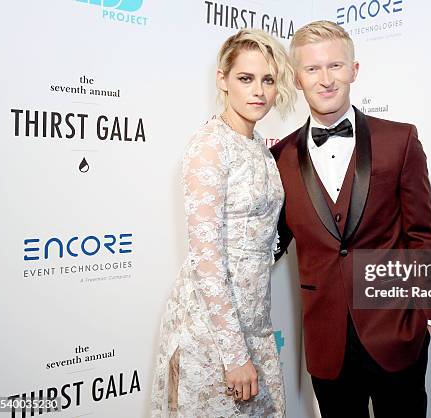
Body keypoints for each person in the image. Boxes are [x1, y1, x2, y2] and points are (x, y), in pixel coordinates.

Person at [271, 21, 431, 417]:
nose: (326, 79)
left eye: (335, 65)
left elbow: (425, 235)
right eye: (312, 69)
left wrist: (424, 320)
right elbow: (267, 243)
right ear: (297, 79)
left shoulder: (399, 140)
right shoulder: (278, 158)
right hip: (325, 343)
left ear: (354, 70)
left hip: (397, 334)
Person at [151, 29, 295, 417]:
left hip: (255, 320)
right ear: (223, 80)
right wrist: (233, 354)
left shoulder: (258, 145)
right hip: (211, 328)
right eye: (245, 79)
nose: (259, 92)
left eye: (268, 80)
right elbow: (206, 257)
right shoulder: (210, 145)